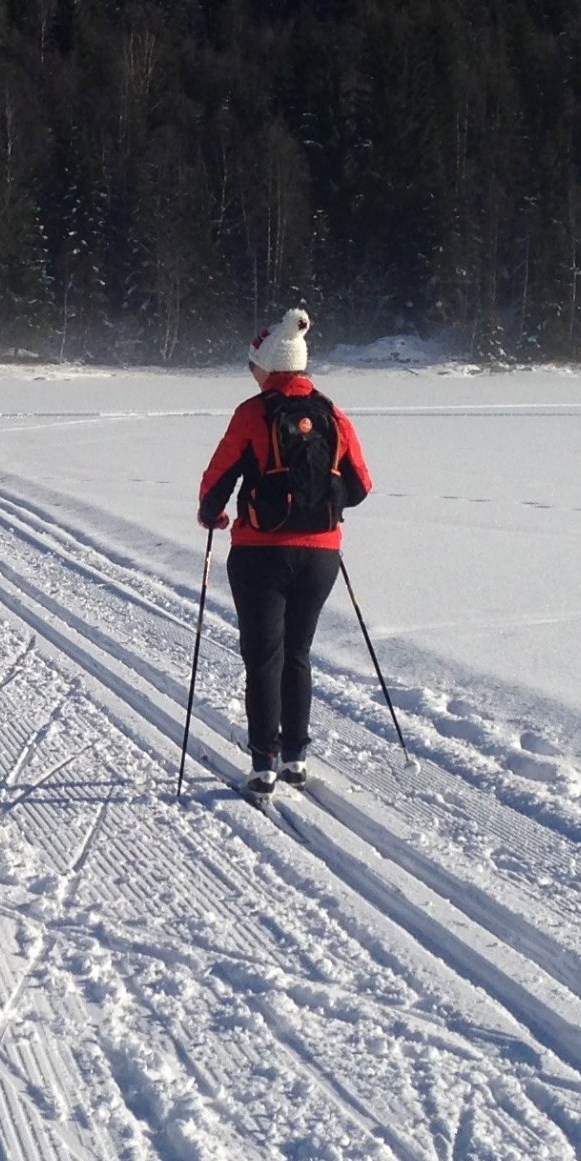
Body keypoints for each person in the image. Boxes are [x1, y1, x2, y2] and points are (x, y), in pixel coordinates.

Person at [197, 309, 372, 798]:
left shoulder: (252, 414)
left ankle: (263, 765)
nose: (252, 373)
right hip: (321, 556)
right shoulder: (332, 413)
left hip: (260, 553)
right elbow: (360, 486)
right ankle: (296, 757)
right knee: (297, 653)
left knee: (264, 657)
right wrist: (316, 505)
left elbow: (218, 479)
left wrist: (213, 515)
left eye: (253, 365)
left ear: (267, 367)